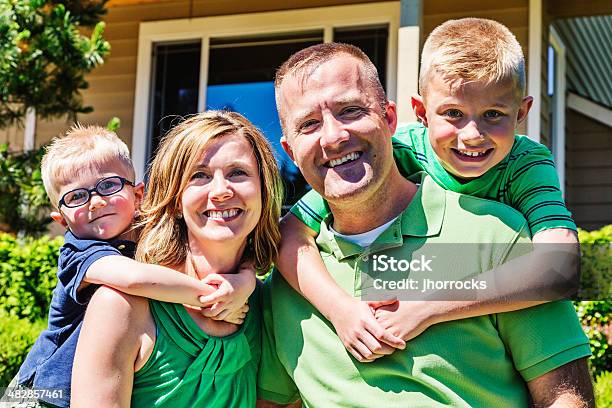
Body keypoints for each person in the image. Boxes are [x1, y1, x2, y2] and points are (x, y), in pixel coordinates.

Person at [257, 43, 594, 406]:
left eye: (350, 111)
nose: (334, 137)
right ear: (290, 151)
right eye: (309, 124)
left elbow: (565, 396)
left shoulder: (499, 236)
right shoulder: (290, 279)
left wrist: (430, 304)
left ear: (390, 119)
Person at [9, 125, 254, 408]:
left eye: (109, 185)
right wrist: (211, 298)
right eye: (77, 197)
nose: (96, 202)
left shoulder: (150, 233)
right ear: (62, 220)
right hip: (40, 395)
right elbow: (134, 278)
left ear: (138, 195)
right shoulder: (79, 250)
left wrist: (244, 281)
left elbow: (247, 252)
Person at [72, 111, 283, 407]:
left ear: (264, 191)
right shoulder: (122, 307)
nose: (221, 191)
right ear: (176, 199)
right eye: (200, 175)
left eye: (238, 173)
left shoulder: (268, 307)